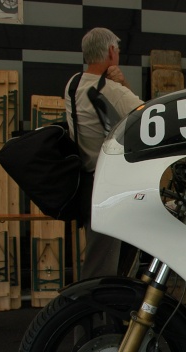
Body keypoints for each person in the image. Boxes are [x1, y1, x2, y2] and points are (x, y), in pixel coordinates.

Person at [65, 27, 143, 278]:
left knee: (103, 257)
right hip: (112, 187)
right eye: (117, 50)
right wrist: (123, 84)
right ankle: (95, 315)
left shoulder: (72, 84)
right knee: (105, 267)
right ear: (111, 52)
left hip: (85, 182)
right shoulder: (111, 89)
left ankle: (99, 313)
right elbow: (149, 118)